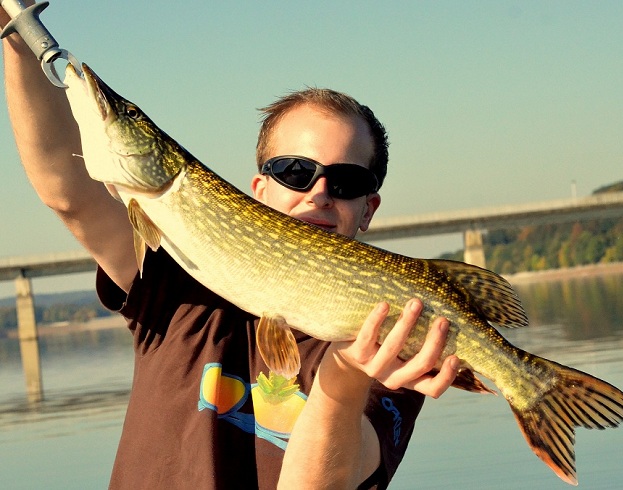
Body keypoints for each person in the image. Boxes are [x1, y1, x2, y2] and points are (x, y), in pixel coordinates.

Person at [2, 6, 460, 489]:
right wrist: (14, 34)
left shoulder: (392, 346)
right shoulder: (183, 279)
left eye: (346, 181)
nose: (319, 193)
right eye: (295, 172)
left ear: (369, 208)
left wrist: (345, 372)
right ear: (260, 189)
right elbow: (67, 192)